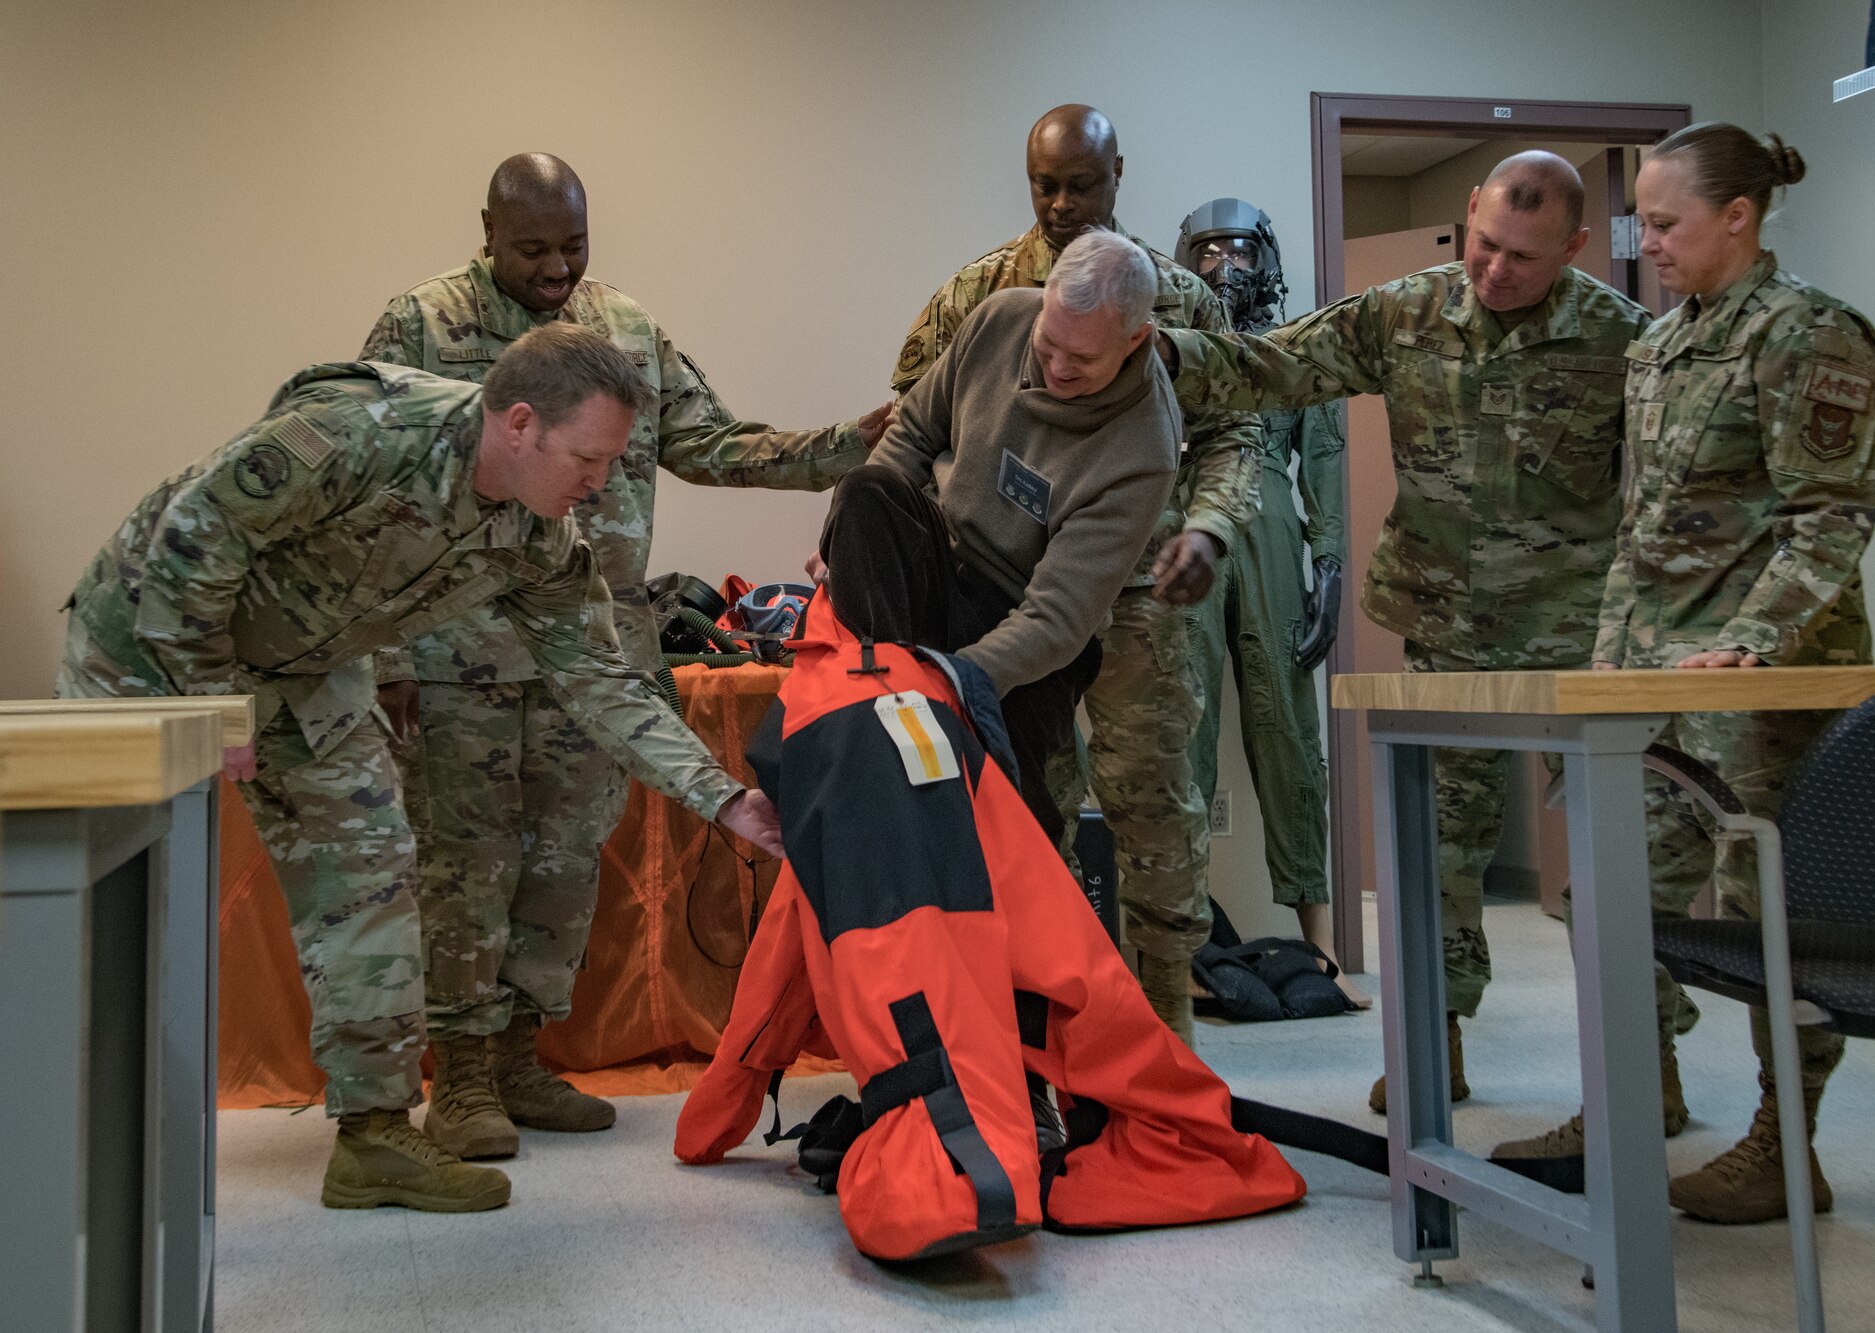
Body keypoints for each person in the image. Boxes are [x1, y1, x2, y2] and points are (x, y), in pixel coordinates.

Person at [58, 325, 786, 1212]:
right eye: (588, 459)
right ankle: (63, 1126)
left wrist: (723, 799)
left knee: (370, 870)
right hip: (151, 644)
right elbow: (194, 535)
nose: (601, 483)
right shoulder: (366, 429)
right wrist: (214, 705)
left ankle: (372, 1139)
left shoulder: (539, 538)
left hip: (308, 671)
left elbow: (607, 683)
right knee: (113, 890)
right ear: (519, 424)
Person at [359, 153, 889, 1161]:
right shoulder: (419, 327)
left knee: (562, 867)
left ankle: (518, 1057)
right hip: (458, 654)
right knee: (467, 866)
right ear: (486, 230)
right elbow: (383, 492)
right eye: (532, 249)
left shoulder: (627, 331)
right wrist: (385, 653)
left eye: (573, 246)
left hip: (592, 654)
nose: (556, 267)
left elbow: (713, 442)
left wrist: (840, 448)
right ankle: (461, 1077)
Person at [1154, 153, 1660, 1109]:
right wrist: (1165, 353)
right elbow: (1279, 362)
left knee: (1615, 859)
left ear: (1577, 247)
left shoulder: (1621, 337)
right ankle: (1439, 1047)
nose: (1495, 272)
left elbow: (1670, 487)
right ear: (1467, 212)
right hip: (1448, 636)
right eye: (1483, 245)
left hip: (1579, 642)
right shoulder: (1406, 313)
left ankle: (1650, 1067)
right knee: (1440, 856)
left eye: (1523, 256)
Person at [1582, 123, 1875, 1223]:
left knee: (1777, 921)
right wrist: (1610, 668)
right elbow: (1646, 535)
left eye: (1663, 224)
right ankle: (1627, 1097)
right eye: (1640, 223)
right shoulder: (1661, 346)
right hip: (1651, 689)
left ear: (1736, 218)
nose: (1647, 243)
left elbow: (1828, 519)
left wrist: (1753, 643)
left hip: (1760, 694)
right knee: (1608, 897)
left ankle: (1781, 1140)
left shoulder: (1807, 336)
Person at [892, 104, 1261, 1041]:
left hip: (1141, 591)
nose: (1061, 204)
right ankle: (1046, 1022)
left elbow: (1238, 431)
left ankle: (1168, 1026)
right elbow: (913, 414)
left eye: (1081, 185)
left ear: (1118, 176)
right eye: (1043, 185)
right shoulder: (985, 291)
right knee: (1028, 802)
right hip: (1014, 588)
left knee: (1153, 803)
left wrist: (1211, 531)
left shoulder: (1179, 298)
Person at [823, 228, 1180, 842]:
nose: (1059, 368)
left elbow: (1057, 620)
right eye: (1050, 344)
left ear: (1136, 340)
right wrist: (841, 552)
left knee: (1010, 825)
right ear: (1043, 303)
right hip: (943, 560)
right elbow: (908, 436)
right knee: (864, 493)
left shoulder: (1145, 446)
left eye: (1084, 359)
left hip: (1024, 630)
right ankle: (881, 699)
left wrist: (953, 683)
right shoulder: (998, 318)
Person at [1173, 197, 1348, 969]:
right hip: (1186, 531)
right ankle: (1177, 939)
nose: (1225, 266)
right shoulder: (1169, 345)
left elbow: (1328, 451)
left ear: (1265, 257)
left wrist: (1331, 561)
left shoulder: (1299, 346)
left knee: (1289, 733)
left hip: (1272, 527)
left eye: (1240, 250)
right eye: (1208, 252)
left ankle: (1323, 938)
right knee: (1182, 727)